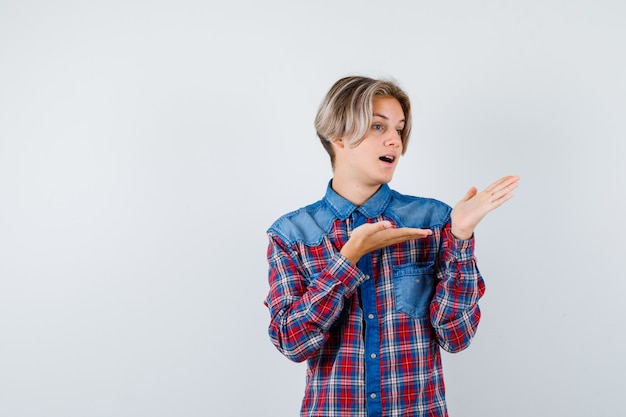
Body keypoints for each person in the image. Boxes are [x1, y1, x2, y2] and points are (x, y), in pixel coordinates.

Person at [264, 75, 519, 417]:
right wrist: (348, 259)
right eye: (378, 127)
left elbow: (456, 337)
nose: (395, 141)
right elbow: (292, 343)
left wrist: (459, 236)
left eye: (399, 129)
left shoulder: (432, 221)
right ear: (338, 135)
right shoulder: (292, 233)